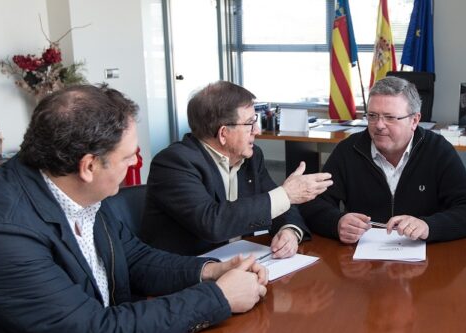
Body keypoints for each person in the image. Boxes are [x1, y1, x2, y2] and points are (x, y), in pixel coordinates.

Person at [0, 84, 269, 333]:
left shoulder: (78, 188)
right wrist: (218, 298)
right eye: (127, 156)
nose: (137, 161)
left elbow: (134, 257)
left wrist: (209, 272)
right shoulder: (4, 231)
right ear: (89, 166)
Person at [142, 81, 333, 256]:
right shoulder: (174, 163)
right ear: (223, 133)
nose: (257, 130)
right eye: (250, 123)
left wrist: (289, 230)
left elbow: (276, 203)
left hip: (240, 265)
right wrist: (287, 194)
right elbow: (212, 223)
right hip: (189, 276)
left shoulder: (251, 156)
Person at [301, 76, 466, 243]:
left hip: (426, 261)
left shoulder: (437, 150)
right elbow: (312, 204)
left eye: (390, 117)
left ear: (414, 120)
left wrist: (429, 226)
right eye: (372, 116)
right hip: (362, 262)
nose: (379, 125)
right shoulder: (349, 150)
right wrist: (336, 222)